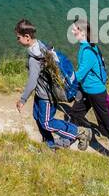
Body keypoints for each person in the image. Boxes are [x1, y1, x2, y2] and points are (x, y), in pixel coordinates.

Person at [15, 19, 90, 151]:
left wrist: (23, 99)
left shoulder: (34, 58)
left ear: (27, 37)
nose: (17, 40)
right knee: (37, 117)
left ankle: (79, 132)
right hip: (41, 94)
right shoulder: (40, 46)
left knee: (47, 123)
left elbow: (32, 82)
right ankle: (49, 146)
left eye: (18, 37)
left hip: (47, 97)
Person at [68, 17, 109, 157]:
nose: (72, 30)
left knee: (105, 124)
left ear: (81, 32)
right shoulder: (88, 46)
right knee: (75, 114)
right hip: (86, 89)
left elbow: (79, 75)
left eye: (75, 28)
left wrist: (65, 77)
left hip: (96, 92)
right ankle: (78, 136)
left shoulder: (87, 52)